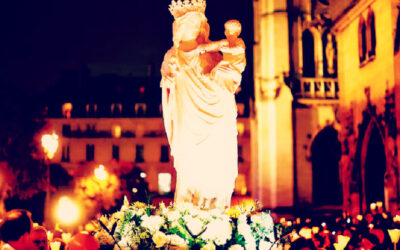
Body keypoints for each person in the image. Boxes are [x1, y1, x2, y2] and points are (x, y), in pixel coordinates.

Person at [161, 0, 246, 209]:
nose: (193, 28)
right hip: (188, 114)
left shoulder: (212, 53)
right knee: (189, 162)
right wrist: (170, 79)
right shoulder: (173, 55)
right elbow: (168, 86)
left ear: (203, 26)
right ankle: (188, 204)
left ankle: (213, 205)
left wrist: (227, 74)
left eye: (196, 24)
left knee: (215, 162)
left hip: (216, 115)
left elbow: (229, 80)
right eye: (188, 24)